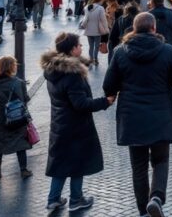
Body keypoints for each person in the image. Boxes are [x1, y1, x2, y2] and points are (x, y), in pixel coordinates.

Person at [103, 13, 172, 217]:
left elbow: (108, 85)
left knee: (139, 165)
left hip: (132, 118)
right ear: (154, 28)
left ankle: (143, 210)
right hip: (161, 116)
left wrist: (111, 95)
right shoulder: (168, 52)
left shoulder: (120, 52)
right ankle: (157, 198)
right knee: (161, 160)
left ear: (134, 29)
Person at [41, 32, 114, 214]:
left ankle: (53, 199)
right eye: (79, 45)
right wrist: (105, 102)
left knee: (61, 163)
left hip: (59, 124)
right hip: (76, 127)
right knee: (77, 163)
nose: (82, 48)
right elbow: (80, 104)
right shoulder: (72, 75)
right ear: (72, 49)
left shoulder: (53, 71)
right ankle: (76, 199)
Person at [0, 56, 32, 181]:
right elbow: (25, 99)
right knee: (20, 143)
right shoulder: (18, 83)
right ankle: (23, 170)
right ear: (12, 67)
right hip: (17, 118)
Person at [80, 0, 109, 67]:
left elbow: (85, 18)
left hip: (88, 29)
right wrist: (106, 29)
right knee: (96, 46)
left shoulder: (87, 7)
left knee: (91, 46)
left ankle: (90, 58)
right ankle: (95, 59)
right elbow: (103, 20)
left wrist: (83, 25)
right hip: (97, 30)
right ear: (99, 0)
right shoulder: (100, 8)